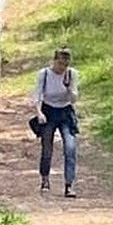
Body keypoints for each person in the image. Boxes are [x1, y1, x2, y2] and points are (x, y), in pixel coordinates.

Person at [31, 47, 80, 197]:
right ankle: (45, 178)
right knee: (47, 148)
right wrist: (39, 112)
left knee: (70, 148)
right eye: (59, 64)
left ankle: (69, 184)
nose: (62, 68)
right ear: (54, 61)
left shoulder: (71, 74)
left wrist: (68, 89)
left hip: (65, 112)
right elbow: (38, 94)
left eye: (65, 64)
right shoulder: (44, 74)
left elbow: (74, 99)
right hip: (48, 110)